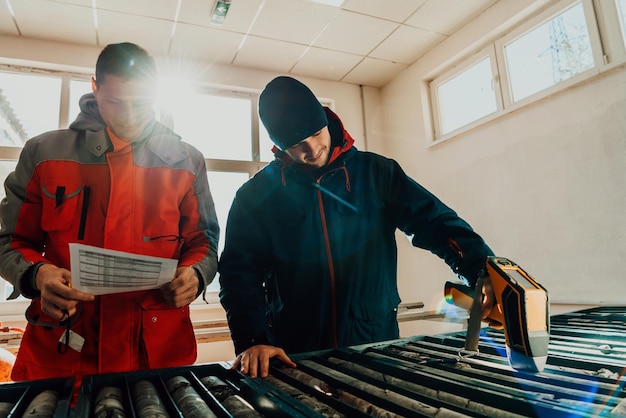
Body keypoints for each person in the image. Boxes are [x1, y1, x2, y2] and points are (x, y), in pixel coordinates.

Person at [218, 76, 496, 378]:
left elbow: (436, 223)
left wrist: (484, 269)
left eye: (314, 133)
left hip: (376, 343)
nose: (311, 149)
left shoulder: (378, 173)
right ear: (278, 146)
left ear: (325, 118)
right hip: (296, 354)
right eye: (296, 145)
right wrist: (253, 339)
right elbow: (238, 275)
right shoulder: (256, 197)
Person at [0, 43, 219, 386]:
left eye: (141, 104)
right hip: (63, 354)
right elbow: (11, 242)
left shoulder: (187, 160)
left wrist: (195, 275)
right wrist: (38, 276)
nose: (129, 117)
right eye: (114, 102)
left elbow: (203, 241)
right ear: (94, 87)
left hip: (157, 356)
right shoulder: (43, 153)